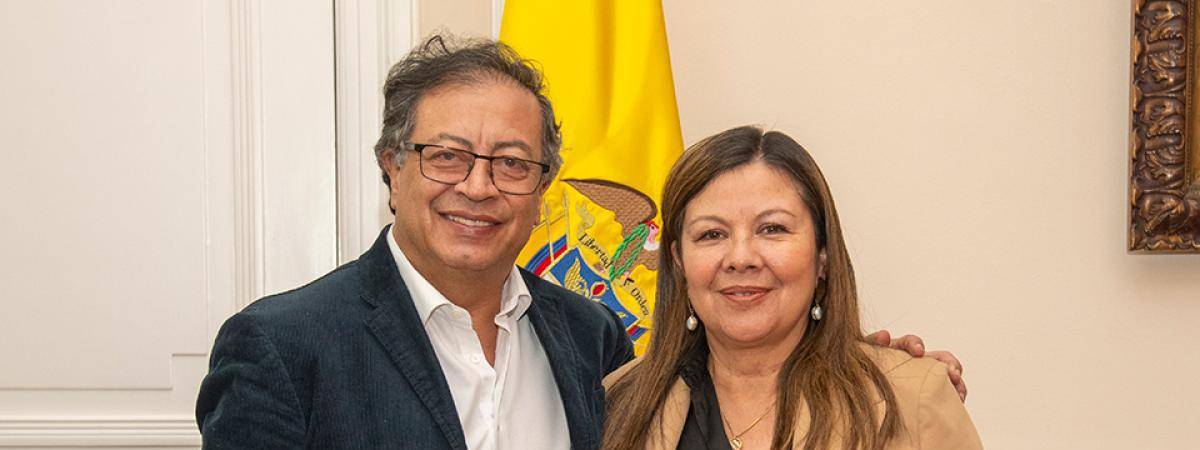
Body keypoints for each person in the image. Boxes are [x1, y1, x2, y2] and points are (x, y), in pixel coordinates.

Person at [196, 35, 965, 449]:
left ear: (542, 190)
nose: (478, 186)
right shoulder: (282, 347)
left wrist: (881, 363)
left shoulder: (593, 343)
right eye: (447, 156)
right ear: (392, 168)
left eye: (511, 163)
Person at [602, 126, 982, 450]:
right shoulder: (616, 404)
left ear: (822, 256)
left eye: (773, 229)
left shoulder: (911, 395)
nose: (740, 258)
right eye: (712, 234)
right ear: (679, 261)